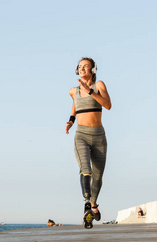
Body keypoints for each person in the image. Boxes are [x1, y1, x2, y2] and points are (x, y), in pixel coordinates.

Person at [65, 57, 112, 228]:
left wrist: (91, 92)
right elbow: (75, 107)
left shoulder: (99, 85)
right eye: (80, 67)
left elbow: (108, 105)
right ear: (77, 71)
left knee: (98, 177)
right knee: (86, 169)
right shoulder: (73, 91)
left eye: (86, 66)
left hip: (99, 135)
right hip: (82, 135)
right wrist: (70, 121)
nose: (83, 68)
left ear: (93, 69)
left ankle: (93, 205)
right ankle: (86, 198)